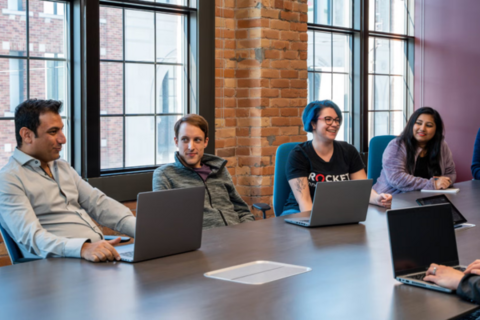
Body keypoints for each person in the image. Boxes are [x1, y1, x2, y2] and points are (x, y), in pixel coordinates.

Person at [0, 99, 135, 263]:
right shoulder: (9, 179)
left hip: (92, 258)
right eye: (53, 132)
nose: (63, 139)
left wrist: (145, 230)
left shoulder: (61, 167)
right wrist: (83, 248)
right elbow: (32, 237)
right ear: (27, 135)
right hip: (58, 266)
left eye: (61, 130)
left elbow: (100, 205)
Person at [283, 100, 392, 215]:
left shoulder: (349, 151)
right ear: (313, 123)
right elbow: (304, 202)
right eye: (328, 119)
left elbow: (363, 191)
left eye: (337, 120)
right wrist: (316, 225)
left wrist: (378, 199)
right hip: (300, 211)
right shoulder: (299, 155)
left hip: (336, 210)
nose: (335, 124)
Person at [152, 114, 255, 229]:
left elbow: (243, 211)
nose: (191, 147)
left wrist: (247, 231)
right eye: (185, 139)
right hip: (201, 243)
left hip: (237, 237)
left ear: (205, 142)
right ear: (176, 142)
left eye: (197, 140)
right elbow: (163, 222)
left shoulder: (219, 170)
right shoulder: (164, 175)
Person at [373, 107, 456, 195]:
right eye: (418, 123)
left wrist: (445, 182)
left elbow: (450, 173)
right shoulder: (396, 145)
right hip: (392, 198)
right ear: (411, 125)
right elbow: (396, 178)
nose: (422, 128)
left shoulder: (442, 146)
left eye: (429, 125)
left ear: (436, 130)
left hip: (428, 198)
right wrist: (433, 184)